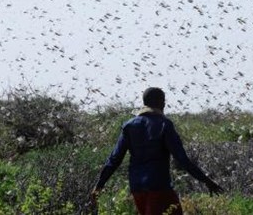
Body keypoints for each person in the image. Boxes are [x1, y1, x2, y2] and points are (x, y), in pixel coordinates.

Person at [92, 87, 224, 215]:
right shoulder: (164, 124)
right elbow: (182, 159)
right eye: (163, 101)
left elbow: (114, 159)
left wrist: (99, 185)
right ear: (160, 103)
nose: (165, 104)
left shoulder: (130, 125)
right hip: (159, 186)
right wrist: (206, 181)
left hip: (137, 187)